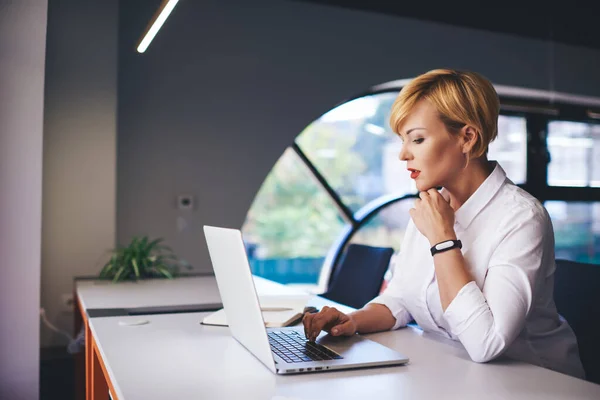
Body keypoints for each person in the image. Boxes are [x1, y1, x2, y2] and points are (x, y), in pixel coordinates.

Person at [302, 69, 585, 379]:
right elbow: (400, 299)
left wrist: (443, 240)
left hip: (540, 383)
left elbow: (486, 343)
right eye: (403, 140)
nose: (403, 154)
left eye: (418, 139)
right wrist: (353, 320)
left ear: (467, 137)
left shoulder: (521, 218)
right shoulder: (432, 205)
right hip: (456, 373)